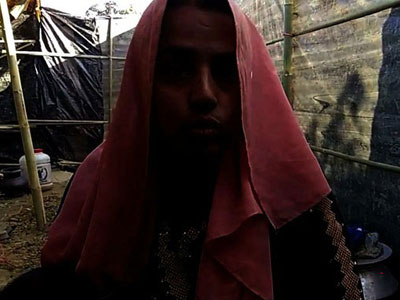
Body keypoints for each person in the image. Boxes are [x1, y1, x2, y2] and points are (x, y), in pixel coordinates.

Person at [1, 0, 362, 299]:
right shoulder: (98, 187)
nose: (205, 94)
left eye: (226, 71)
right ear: (144, 83)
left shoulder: (291, 201)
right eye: (177, 69)